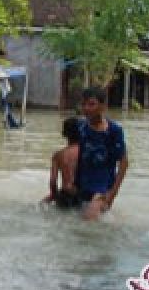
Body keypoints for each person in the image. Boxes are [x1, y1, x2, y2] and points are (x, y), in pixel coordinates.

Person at [75, 86, 129, 220]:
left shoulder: (114, 130)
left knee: (88, 221)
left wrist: (113, 193)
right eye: (84, 104)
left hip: (103, 188)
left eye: (91, 104)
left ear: (103, 106)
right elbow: (73, 154)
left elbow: (123, 162)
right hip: (81, 185)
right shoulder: (80, 127)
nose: (87, 108)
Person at [45, 116, 83, 208]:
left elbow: (53, 182)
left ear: (64, 134)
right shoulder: (86, 152)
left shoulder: (58, 155)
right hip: (83, 194)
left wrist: (54, 195)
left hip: (65, 195)